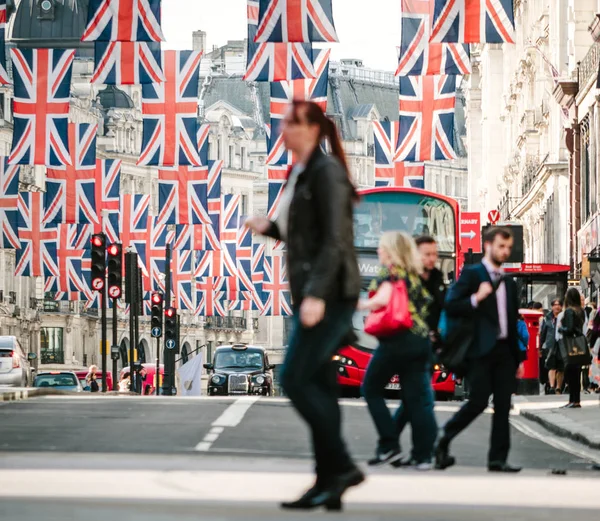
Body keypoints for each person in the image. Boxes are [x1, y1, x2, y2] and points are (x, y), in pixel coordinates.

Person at [245, 100, 363, 511]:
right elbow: (302, 232)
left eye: (289, 125)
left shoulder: (325, 172)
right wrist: (270, 228)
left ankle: (342, 466)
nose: (282, 132)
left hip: (329, 295)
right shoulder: (300, 171)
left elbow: (334, 239)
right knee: (321, 387)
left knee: (294, 378)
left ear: (311, 129)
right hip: (315, 294)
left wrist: (314, 294)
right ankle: (327, 481)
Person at [435, 227, 525, 473]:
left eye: (508, 247)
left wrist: (518, 358)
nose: (505, 252)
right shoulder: (473, 274)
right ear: (488, 245)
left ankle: (498, 459)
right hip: (480, 351)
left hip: (505, 352)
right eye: (500, 246)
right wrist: (475, 298)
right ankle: (443, 438)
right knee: (477, 402)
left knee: (504, 405)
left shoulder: (508, 282)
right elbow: (451, 304)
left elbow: (511, 320)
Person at [359, 232, 437, 470]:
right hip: (420, 343)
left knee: (370, 388)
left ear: (392, 251)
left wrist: (357, 303)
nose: (378, 252)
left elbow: (382, 299)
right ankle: (424, 456)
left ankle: (390, 444)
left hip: (396, 341)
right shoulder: (414, 275)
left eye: (382, 248)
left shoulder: (391, 274)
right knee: (415, 400)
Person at [393, 235, 446, 465]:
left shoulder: (436, 277)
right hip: (408, 346)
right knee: (425, 399)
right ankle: (429, 452)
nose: (432, 258)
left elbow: (441, 308)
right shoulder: (406, 279)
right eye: (427, 254)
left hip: (429, 347)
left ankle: (389, 446)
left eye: (435, 254)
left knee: (410, 401)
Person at [559, 288, 586, 409]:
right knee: (576, 372)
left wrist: (560, 328)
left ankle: (572, 400)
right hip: (580, 343)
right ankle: (576, 401)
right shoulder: (581, 311)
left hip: (570, 344)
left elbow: (569, 329)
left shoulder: (569, 311)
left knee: (570, 372)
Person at [540, 299, 562, 394]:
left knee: (561, 368)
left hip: (561, 344)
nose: (557, 307)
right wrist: (540, 347)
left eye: (559, 305)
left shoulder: (563, 317)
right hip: (550, 345)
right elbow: (543, 333)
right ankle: (552, 386)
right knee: (551, 366)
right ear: (552, 306)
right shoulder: (547, 318)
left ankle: (558, 387)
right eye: (555, 305)